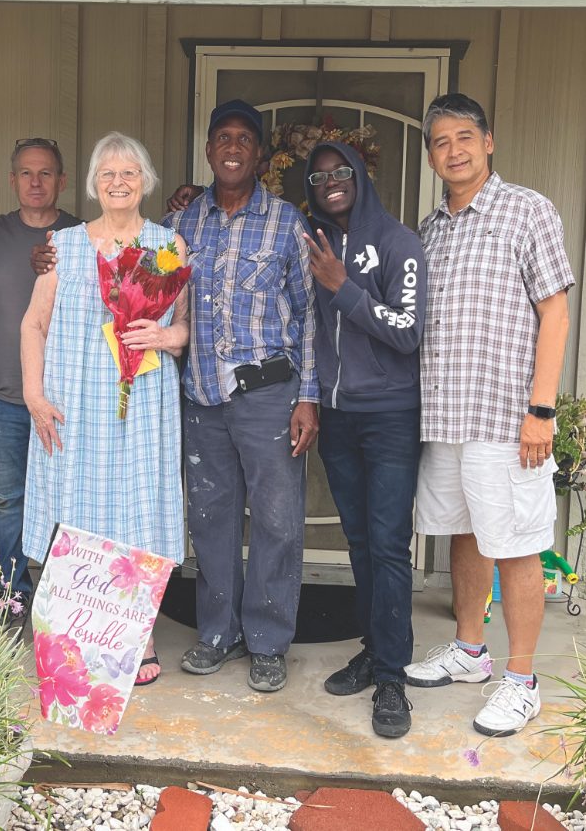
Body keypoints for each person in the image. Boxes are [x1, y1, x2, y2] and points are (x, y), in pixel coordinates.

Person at [405, 93, 574, 737]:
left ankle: (522, 680)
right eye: (441, 142)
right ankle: (470, 650)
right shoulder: (430, 229)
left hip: (506, 417)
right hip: (446, 415)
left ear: (488, 141)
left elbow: (555, 312)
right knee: (464, 534)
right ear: (431, 156)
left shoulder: (527, 210)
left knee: (517, 544)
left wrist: (541, 410)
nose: (454, 150)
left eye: (464, 137)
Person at [20, 132, 188, 685]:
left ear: (146, 181)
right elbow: (33, 324)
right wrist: (34, 395)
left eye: (129, 173)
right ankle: (72, 636)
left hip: (141, 401)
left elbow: (185, 328)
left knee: (137, 513)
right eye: (108, 173)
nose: (118, 182)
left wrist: (163, 337)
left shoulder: (168, 244)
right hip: (73, 401)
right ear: (94, 184)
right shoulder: (63, 244)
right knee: (78, 513)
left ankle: (137, 636)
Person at [166, 100, 319, 693]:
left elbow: (308, 315)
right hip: (202, 397)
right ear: (209, 149)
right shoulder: (181, 223)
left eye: (244, 139)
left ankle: (269, 640)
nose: (233, 147)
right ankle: (217, 633)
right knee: (210, 520)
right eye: (223, 137)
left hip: (269, 395)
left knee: (277, 521)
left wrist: (308, 398)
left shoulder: (286, 222)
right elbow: (142, 281)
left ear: (259, 154)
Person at [301, 142, 426, 737]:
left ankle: (393, 678)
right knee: (358, 541)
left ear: (360, 176)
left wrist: (343, 286)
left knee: (388, 544)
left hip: (391, 417)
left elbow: (407, 330)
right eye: (319, 176)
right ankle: (375, 651)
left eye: (341, 171)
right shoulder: (313, 241)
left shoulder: (398, 242)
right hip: (339, 416)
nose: (331, 181)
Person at [0, 139, 80, 615]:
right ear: (12, 180)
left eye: (45, 173)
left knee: (70, 502)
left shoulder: (82, 235)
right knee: (8, 500)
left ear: (62, 181)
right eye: (25, 173)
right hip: (5, 395)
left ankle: (64, 596)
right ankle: (14, 592)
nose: (35, 182)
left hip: (67, 399)